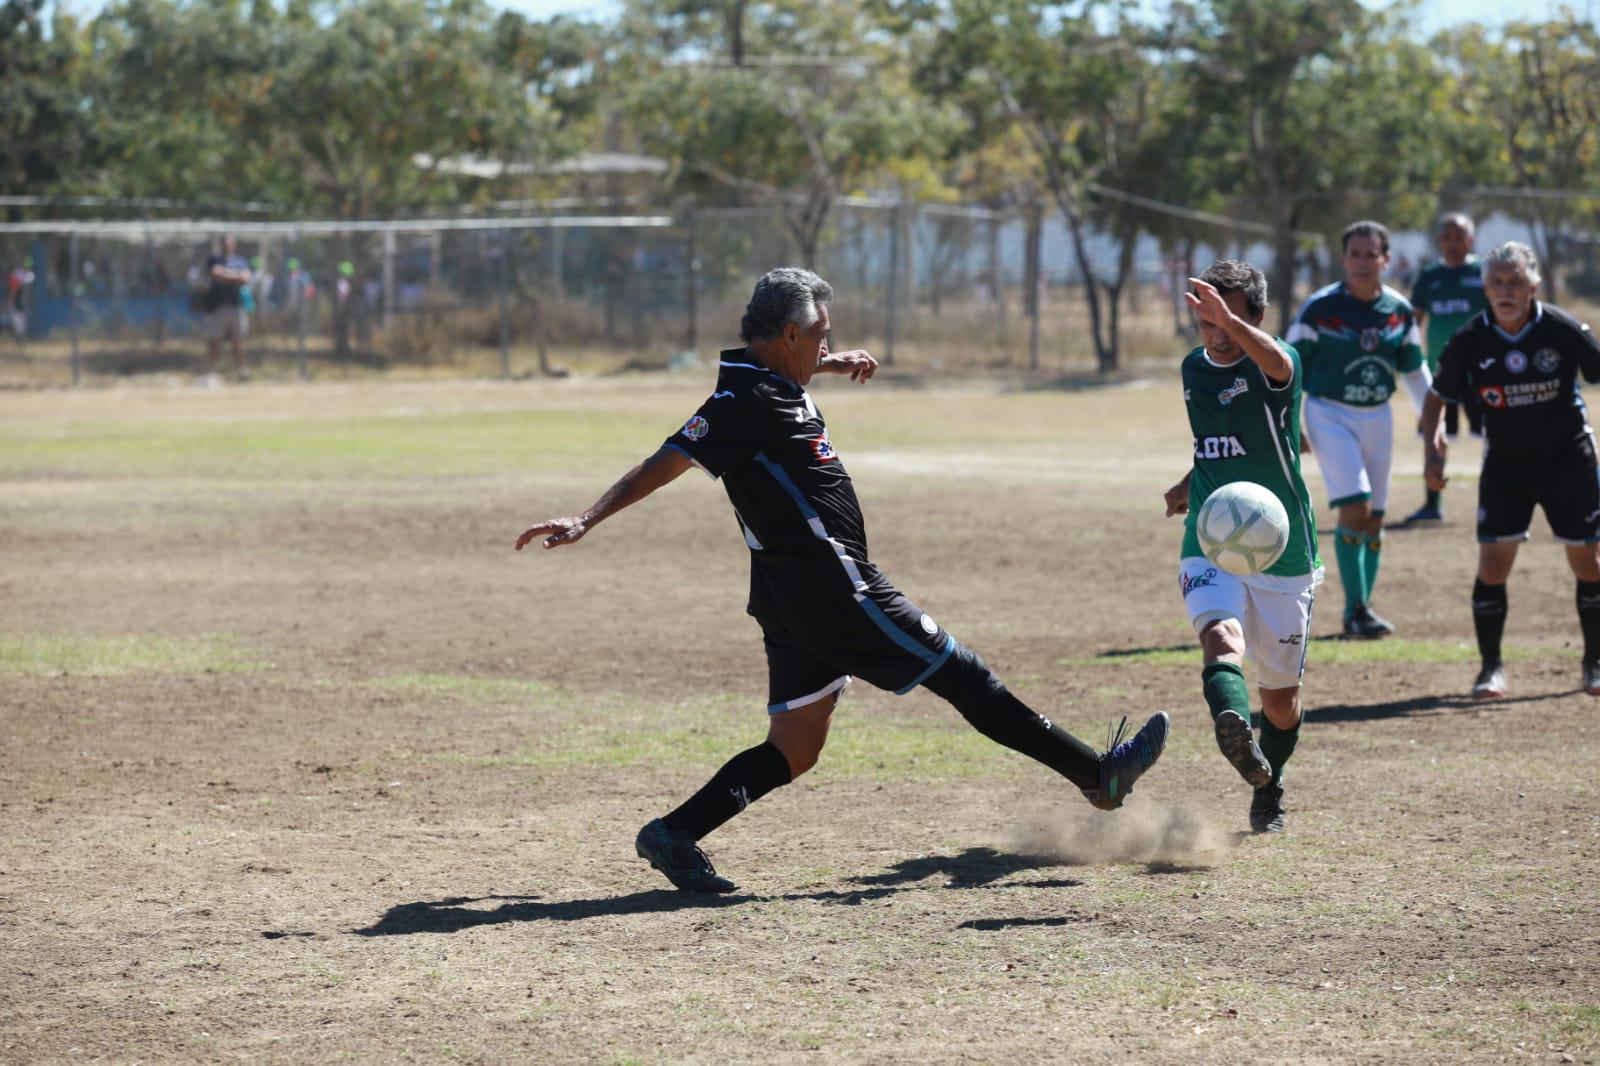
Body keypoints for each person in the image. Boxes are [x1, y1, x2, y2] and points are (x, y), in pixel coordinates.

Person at [514, 268, 1169, 893]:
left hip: (790, 598)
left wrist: (826, 363)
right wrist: (586, 518)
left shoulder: (771, 380)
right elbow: (670, 459)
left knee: (796, 747)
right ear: (789, 335)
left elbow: (782, 378)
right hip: (836, 588)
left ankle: (675, 834)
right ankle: (1099, 775)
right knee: (963, 674)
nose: (827, 345)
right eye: (820, 336)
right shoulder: (742, 401)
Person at [1163, 261, 1321, 833]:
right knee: (1220, 637)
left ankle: (1268, 784)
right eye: (1207, 320)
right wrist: (1189, 483)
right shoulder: (1193, 368)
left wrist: (1230, 321)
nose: (1217, 332)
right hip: (1211, 532)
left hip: (1284, 547)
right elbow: (1217, 443)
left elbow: (1277, 364)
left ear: (1258, 315)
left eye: (1228, 318)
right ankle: (1231, 722)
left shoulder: (1278, 363)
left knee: (1280, 701)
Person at [1422, 242, 1600, 700]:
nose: (1506, 290)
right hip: (1506, 465)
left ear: (1533, 286)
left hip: (1569, 461)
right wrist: (1432, 450)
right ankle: (1491, 669)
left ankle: (1594, 663)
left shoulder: (1562, 329)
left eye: (1515, 281)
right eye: (1497, 282)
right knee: (1493, 565)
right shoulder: (1469, 338)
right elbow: (1437, 396)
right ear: (1484, 288)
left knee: (1588, 561)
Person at [1288, 220, 1431, 639]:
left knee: (1374, 519)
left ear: (1386, 260)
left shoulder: (1398, 310)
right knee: (1356, 508)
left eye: (1372, 255)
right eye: (1356, 254)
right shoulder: (1319, 309)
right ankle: (1355, 610)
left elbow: (1415, 371)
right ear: (1343, 258)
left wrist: (1434, 423)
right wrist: (1289, 421)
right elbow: (1287, 367)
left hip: (1378, 416)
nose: (1363, 263)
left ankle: (1362, 608)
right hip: (1329, 413)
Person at [1404, 213, 1488, 525]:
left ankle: (1498, 501)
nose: (1453, 243)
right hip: (1440, 372)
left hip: (1482, 372)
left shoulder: (1484, 273)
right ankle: (1432, 503)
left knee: (1497, 436)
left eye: (1460, 237)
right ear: (1439, 240)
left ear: (1471, 240)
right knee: (1435, 436)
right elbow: (1414, 322)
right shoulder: (1429, 277)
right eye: (1447, 237)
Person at [205, 234, 252, 381]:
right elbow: (216, 275)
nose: (226, 246)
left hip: (236, 306)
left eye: (229, 243)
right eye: (224, 243)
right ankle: (212, 370)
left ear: (234, 245)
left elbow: (245, 278)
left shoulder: (240, 261)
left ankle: (240, 370)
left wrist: (226, 275)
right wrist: (235, 276)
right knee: (215, 339)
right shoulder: (214, 259)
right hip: (218, 306)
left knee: (238, 340)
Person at [6, 256, 34, 342]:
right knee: (16, 318)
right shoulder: (18, 272)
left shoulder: (30, 275)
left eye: (28, 266)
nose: (26, 267)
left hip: (23, 300)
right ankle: (18, 337)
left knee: (21, 319)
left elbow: (25, 288)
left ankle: (20, 337)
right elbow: (13, 287)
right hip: (17, 299)